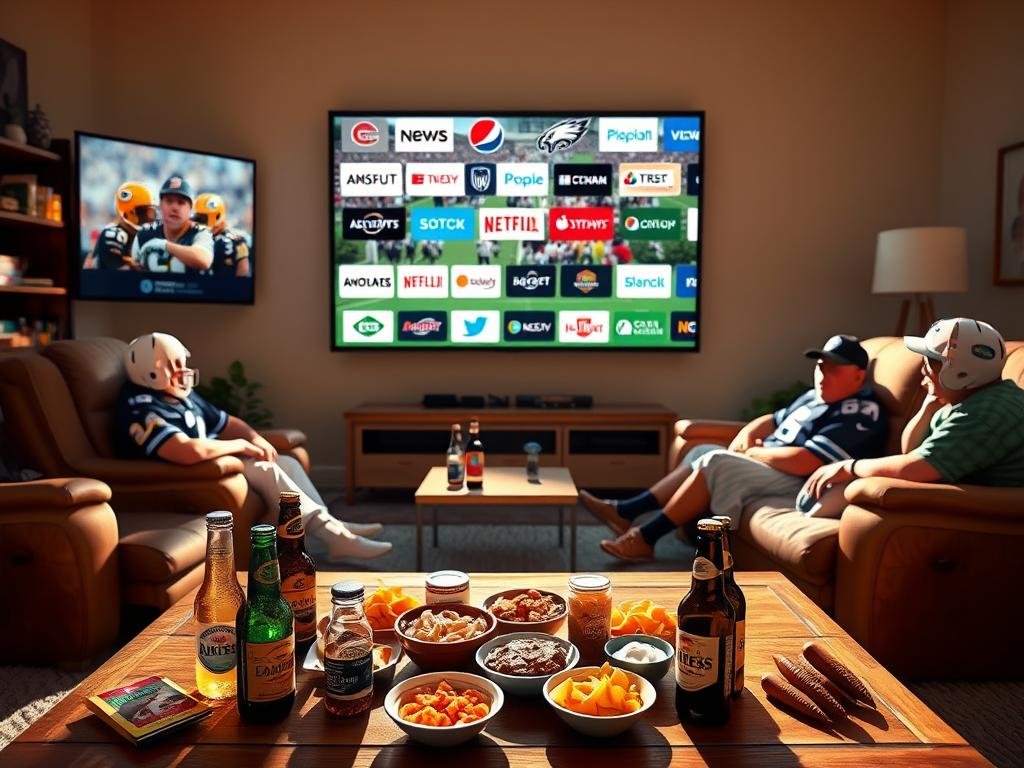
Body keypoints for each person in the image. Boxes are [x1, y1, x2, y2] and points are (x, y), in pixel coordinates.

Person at [582, 335, 888, 562]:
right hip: (772, 463)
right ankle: (627, 511)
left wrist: (754, 452)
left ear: (859, 375)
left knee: (717, 460)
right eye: (821, 366)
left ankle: (645, 538)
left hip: (801, 480)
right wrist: (750, 431)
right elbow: (774, 419)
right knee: (701, 451)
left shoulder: (861, 411)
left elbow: (805, 461)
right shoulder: (814, 397)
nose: (823, 374)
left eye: (834, 369)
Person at [114, 332, 391, 560]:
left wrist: (255, 438)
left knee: (285, 462)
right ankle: (336, 536)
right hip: (192, 475)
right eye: (174, 364)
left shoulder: (179, 395)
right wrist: (240, 446)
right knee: (266, 470)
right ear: (153, 371)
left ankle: (334, 528)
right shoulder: (141, 407)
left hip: (216, 464)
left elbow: (228, 422)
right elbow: (186, 451)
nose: (182, 370)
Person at [801, 318, 1024, 504]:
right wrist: (929, 405)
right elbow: (911, 451)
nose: (922, 370)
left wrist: (850, 467)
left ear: (958, 373)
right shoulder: (969, 401)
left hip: (991, 514)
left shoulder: (983, 414)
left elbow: (913, 469)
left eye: (928, 363)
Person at [132, 175, 214, 273]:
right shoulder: (144, 234)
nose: (174, 208)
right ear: (160, 205)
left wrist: (165, 245)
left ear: (190, 209)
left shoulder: (200, 232)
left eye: (181, 202)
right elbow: (133, 271)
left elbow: (203, 260)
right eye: (169, 201)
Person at [83, 182, 158, 270]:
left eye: (151, 211)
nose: (149, 217)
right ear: (130, 213)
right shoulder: (113, 234)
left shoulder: (145, 234)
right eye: (144, 212)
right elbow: (120, 273)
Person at [192, 193, 251, 277]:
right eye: (202, 218)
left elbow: (243, 271)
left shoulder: (238, 240)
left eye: (215, 217)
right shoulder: (192, 236)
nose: (210, 224)